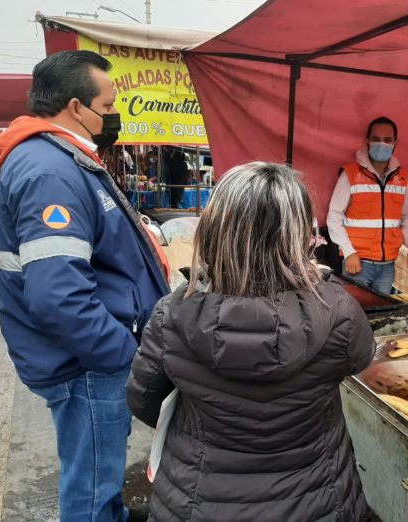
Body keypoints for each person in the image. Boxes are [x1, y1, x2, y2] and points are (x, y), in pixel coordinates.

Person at [127, 162, 375, 522]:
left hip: (198, 501)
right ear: (300, 234)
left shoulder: (173, 314)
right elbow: (361, 358)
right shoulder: (339, 311)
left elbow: (144, 401)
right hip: (319, 499)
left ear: (214, 230)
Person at [0, 50, 169, 522]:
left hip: (88, 355)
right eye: (107, 107)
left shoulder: (64, 158)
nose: (112, 117)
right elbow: (58, 296)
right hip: (86, 363)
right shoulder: (50, 171)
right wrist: (121, 354)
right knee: (90, 487)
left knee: (99, 477)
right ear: (75, 106)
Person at [327, 116, 408, 295]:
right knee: (356, 314)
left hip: (388, 265)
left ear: (395, 143)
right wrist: (348, 252)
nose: (381, 144)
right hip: (358, 263)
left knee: (380, 315)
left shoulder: (402, 177)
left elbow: (407, 217)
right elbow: (334, 216)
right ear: (367, 141)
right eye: (376, 139)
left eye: (387, 140)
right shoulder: (350, 173)